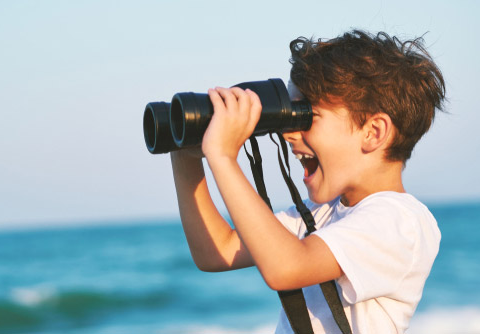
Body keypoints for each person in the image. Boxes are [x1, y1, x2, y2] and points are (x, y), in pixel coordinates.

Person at [170, 30, 446, 333]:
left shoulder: (399, 221)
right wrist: (185, 157)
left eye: (306, 117)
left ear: (373, 132)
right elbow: (216, 251)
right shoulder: (322, 213)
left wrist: (223, 157)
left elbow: (286, 268)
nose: (289, 134)